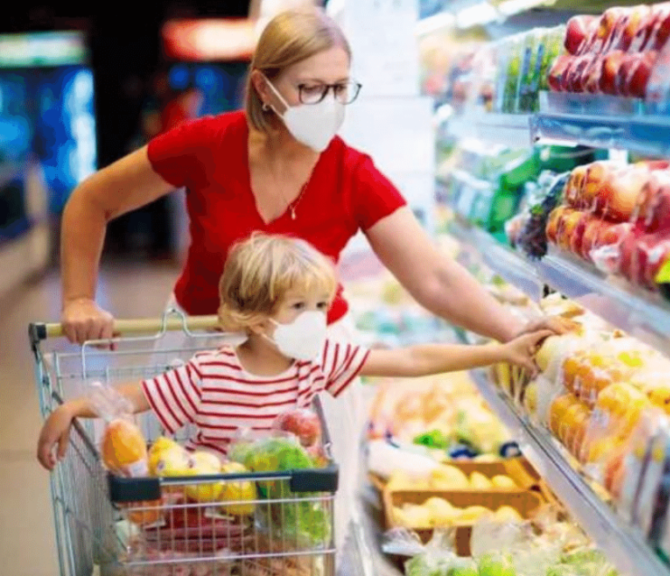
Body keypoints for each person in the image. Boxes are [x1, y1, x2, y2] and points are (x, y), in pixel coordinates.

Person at [55, 6, 568, 544]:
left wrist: (512, 331)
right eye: (310, 88)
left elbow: (433, 277)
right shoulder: (207, 145)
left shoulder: (351, 173)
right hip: (204, 359)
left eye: (341, 88)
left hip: (308, 367)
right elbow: (93, 200)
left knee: (300, 531)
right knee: (196, 519)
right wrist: (77, 299)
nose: (329, 105)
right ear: (264, 87)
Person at [37, 233, 550, 467]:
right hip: (217, 524)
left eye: (322, 305)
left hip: (289, 531)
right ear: (255, 319)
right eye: (299, 306)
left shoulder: (317, 360)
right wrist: (71, 407)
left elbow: (412, 360)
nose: (316, 319)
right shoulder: (207, 373)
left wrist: (500, 351)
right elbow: (137, 396)